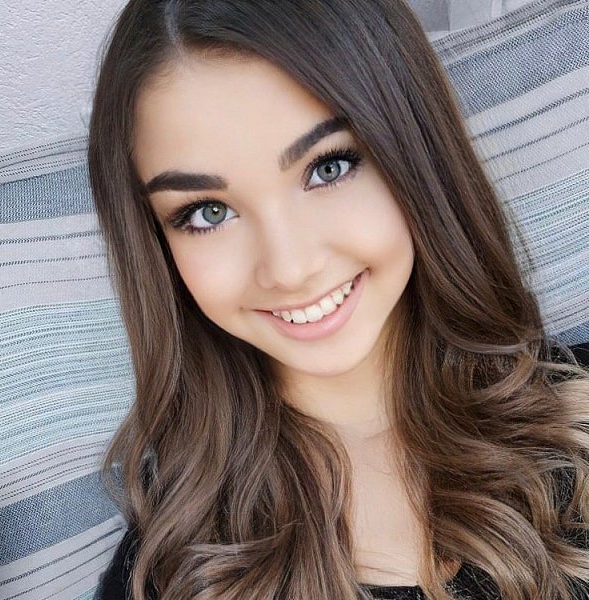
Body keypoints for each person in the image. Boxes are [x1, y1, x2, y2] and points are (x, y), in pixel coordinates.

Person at [88, 0, 589, 598]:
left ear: (415, 152)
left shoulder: (576, 418)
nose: (290, 269)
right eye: (208, 212)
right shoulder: (168, 571)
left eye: (328, 168)